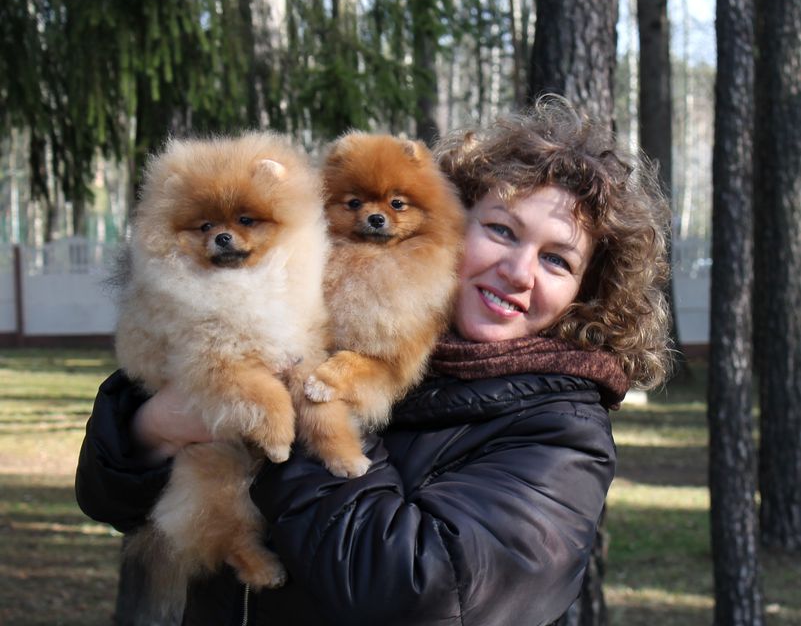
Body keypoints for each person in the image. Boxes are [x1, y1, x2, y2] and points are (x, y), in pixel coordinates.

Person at [76, 95, 672, 626]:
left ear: (587, 293)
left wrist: (300, 407)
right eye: (501, 230)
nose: (518, 271)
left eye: (557, 260)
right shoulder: (335, 305)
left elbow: (420, 593)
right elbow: (108, 498)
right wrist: (152, 427)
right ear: (455, 219)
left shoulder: (561, 435)